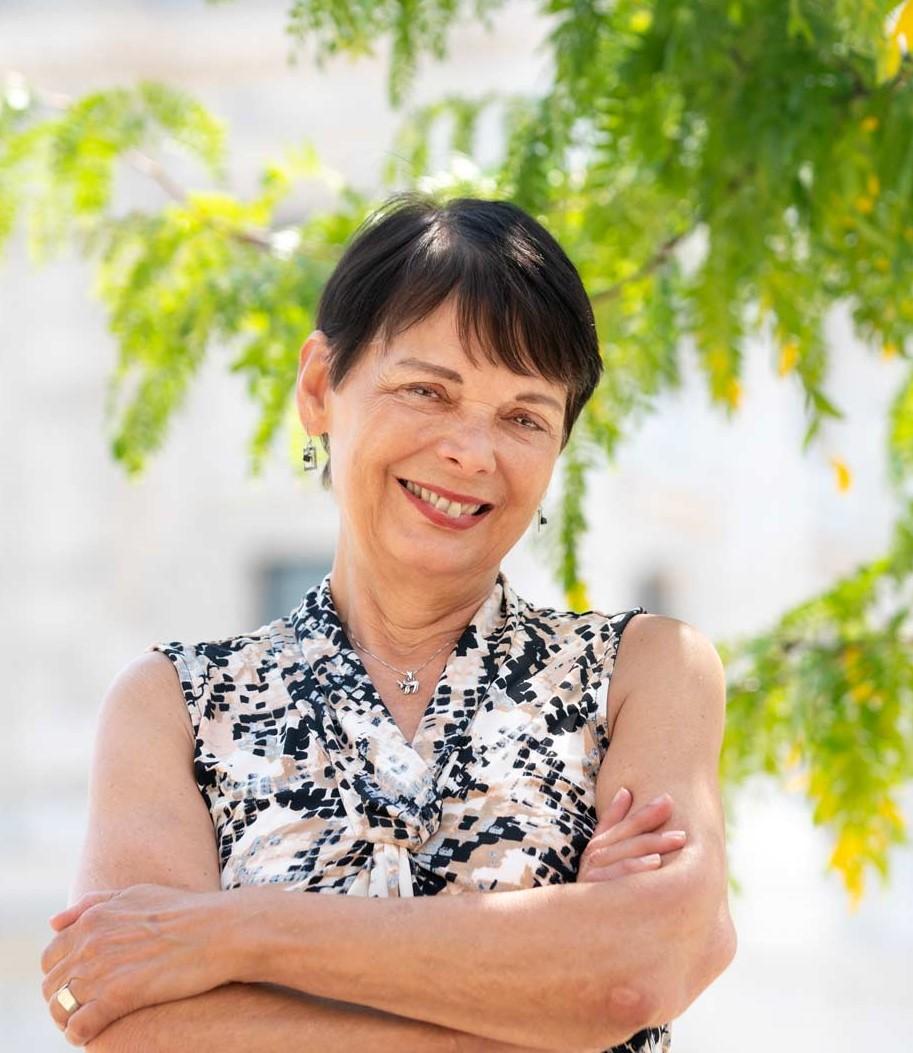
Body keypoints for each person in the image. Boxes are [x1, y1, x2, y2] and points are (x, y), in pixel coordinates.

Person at [40, 193, 737, 1051]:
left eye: (523, 416)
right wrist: (554, 996)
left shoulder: (645, 670)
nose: (471, 451)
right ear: (318, 388)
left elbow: (634, 969)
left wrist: (237, 932)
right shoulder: (175, 704)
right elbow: (130, 1029)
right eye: (426, 391)